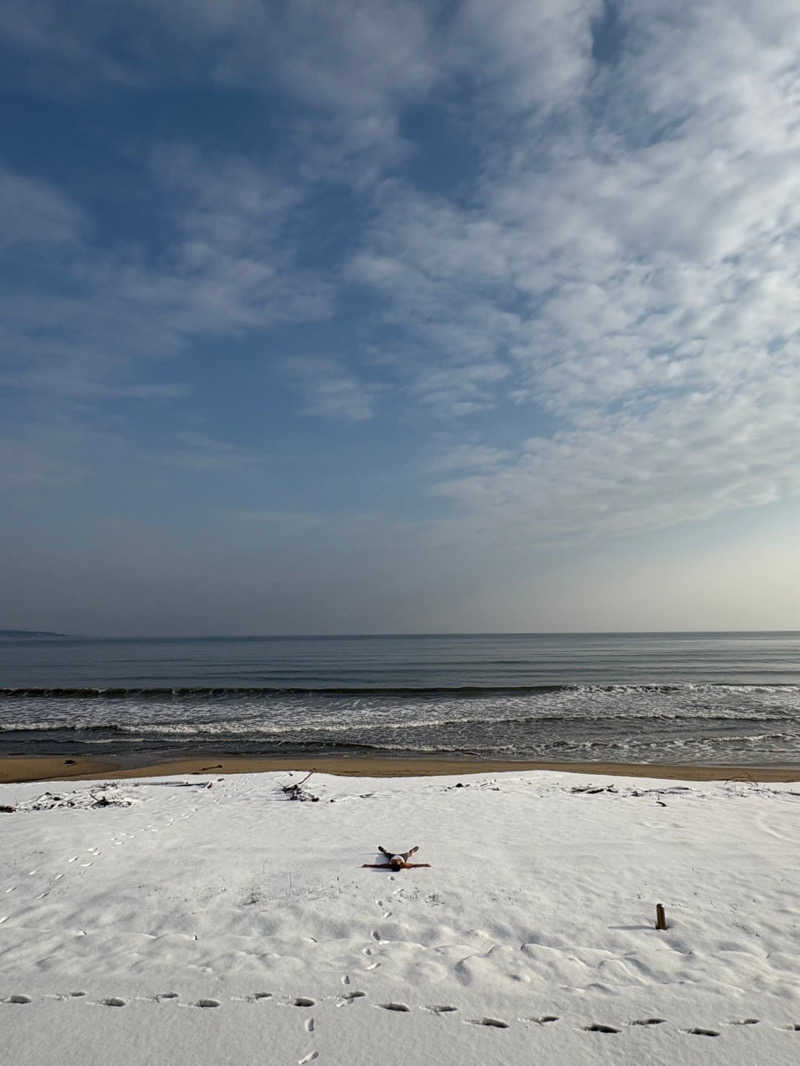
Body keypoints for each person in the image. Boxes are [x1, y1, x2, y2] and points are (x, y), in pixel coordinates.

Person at [362, 845, 430, 870]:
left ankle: (383, 850)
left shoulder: (389, 865)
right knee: (409, 854)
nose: (396, 861)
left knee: (386, 854)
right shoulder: (404, 864)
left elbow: (379, 866)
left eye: (394, 862)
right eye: (396, 862)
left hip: (392, 856)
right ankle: (413, 850)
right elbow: (414, 865)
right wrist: (425, 864)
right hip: (402, 857)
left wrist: (368, 865)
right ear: (399, 864)